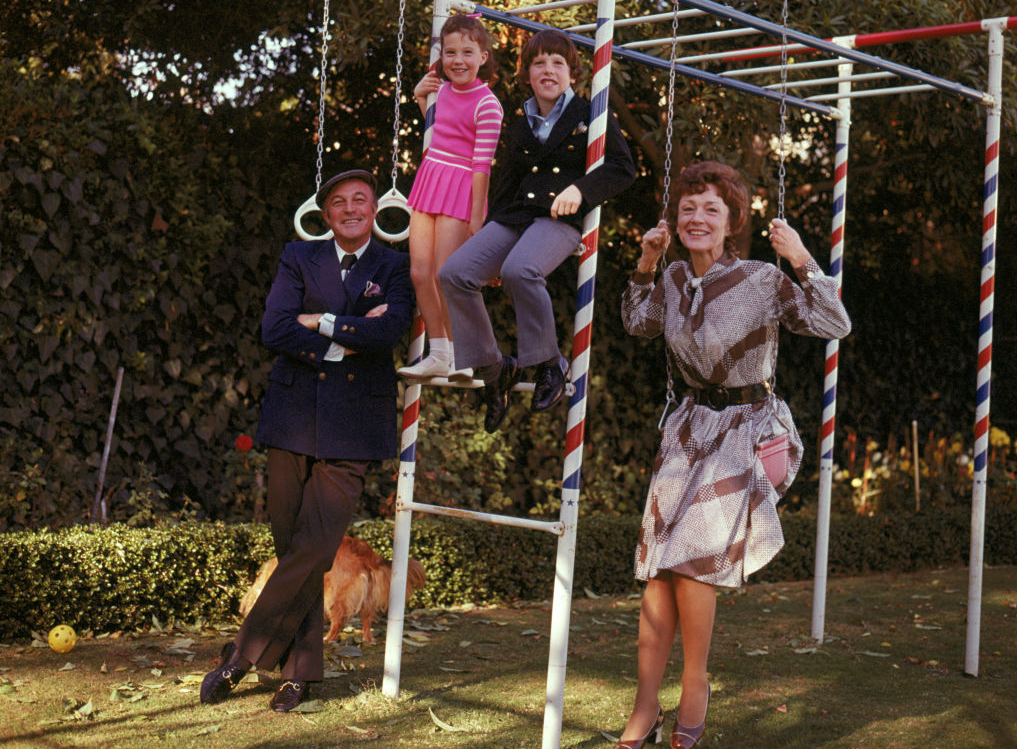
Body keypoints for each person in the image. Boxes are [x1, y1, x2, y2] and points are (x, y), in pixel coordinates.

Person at [615, 161, 851, 749]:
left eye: (711, 210)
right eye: (688, 208)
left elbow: (834, 321)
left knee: (693, 565)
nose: (697, 218)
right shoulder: (670, 279)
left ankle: (695, 688)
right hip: (688, 430)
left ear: (732, 223)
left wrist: (799, 256)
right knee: (657, 573)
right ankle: (646, 705)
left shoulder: (760, 280)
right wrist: (646, 263)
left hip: (744, 429)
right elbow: (637, 323)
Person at [200, 169, 414, 712]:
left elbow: (390, 332)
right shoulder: (299, 256)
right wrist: (349, 334)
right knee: (293, 550)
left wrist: (319, 322)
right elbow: (274, 328)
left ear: (374, 210)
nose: (349, 209)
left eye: (359, 201)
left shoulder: (393, 264)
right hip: (292, 416)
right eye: (338, 202)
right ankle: (301, 673)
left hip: (353, 426)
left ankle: (239, 657)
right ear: (325, 214)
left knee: (315, 548)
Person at [439, 29, 635, 432]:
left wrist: (580, 190)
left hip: (559, 221)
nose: (548, 70)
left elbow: (622, 169)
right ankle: (495, 372)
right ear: (527, 73)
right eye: (539, 63)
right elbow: (507, 181)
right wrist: (487, 234)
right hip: (516, 216)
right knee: (455, 273)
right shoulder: (518, 118)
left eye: (557, 63)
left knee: (519, 270)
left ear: (572, 73)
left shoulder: (590, 116)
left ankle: (549, 362)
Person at [397, 15, 503, 381]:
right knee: (420, 272)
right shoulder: (441, 91)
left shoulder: (488, 105)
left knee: (447, 275)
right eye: (450, 52)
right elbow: (439, 128)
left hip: (462, 187)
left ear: (483, 57)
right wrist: (418, 97)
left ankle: (463, 356)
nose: (457, 60)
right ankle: (438, 352)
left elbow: (482, 166)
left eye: (467, 52)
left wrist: (477, 219)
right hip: (430, 180)